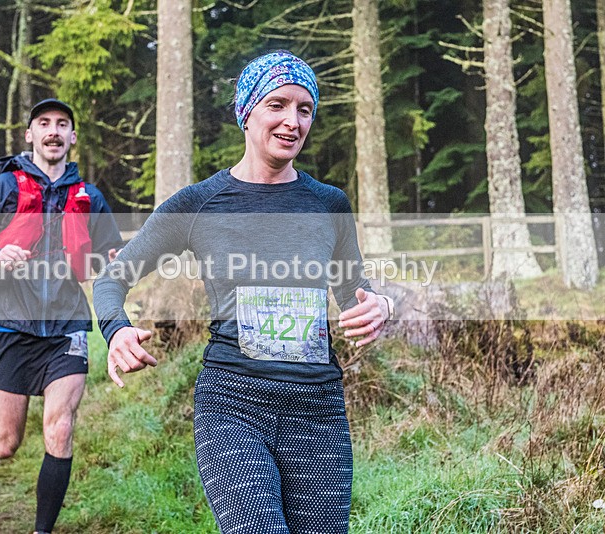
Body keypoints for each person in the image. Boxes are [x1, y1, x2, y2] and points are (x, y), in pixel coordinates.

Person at [93, 51, 394, 533]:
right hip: (233, 403)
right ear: (247, 111)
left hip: (318, 409)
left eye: (304, 109)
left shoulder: (328, 204)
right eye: (278, 105)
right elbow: (111, 277)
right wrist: (116, 330)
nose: (292, 122)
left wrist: (381, 305)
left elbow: (354, 289)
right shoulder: (198, 204)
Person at [0, 98, 123, 534]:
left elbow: (110, 258)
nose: (53, 131)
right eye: (44, 123)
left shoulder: (90, 198)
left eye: (63, 124)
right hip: (9, 321)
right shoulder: (3, 188)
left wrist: (118, 262)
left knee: (60, 429)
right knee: (7, 441)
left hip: (67, 325)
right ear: (29, 134)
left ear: (72, 137)